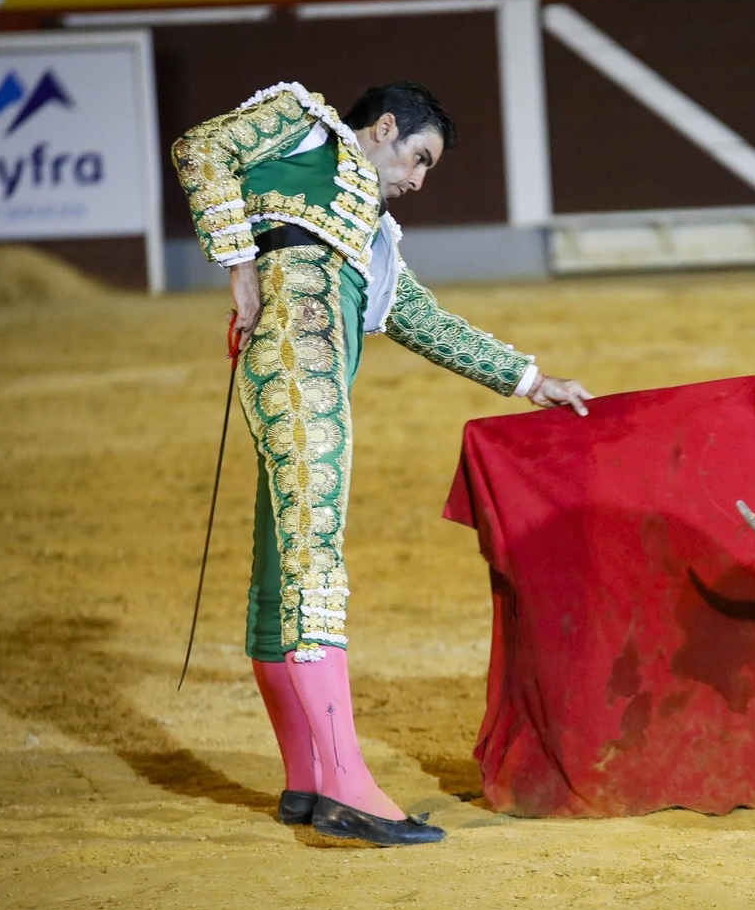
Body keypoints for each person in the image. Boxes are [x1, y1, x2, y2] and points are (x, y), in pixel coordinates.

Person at [172, 80, 592, 846]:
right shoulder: (304, 127)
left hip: (317, 372)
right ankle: (346, 790)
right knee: (314, 558)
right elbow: (199, 148)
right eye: (419, 158)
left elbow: (422, 320)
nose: (418, 181)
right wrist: (238, 265)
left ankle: (307, 779)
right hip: (298, 363)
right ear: (387, 126)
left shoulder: (371, 236)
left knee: (283, 567)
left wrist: (533, 383)